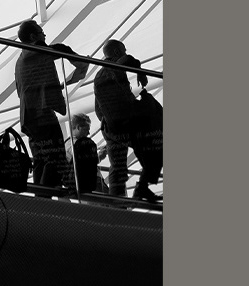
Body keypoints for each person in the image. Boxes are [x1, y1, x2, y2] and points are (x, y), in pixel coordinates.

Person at [13, 20, 89, 189]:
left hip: (30, 117)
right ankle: (47, 193)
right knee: (55, 156)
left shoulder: (21, 60)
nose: (44, 36)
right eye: (41, 33)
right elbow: (59, 49)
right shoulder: (34, 52)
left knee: (41, 159)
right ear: (33, 36)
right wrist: (79, 62)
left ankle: (41, 196)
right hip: (40, 115)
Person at [93, 38, 160, 202]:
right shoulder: (114, 67)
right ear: (116, 52)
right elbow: (128, 60)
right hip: (126, 125)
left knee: (118, 167)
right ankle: (141, 188)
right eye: (123, 50)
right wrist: (140, 71)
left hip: (111, 128)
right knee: (156, 147)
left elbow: (97, 108)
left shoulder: (99, 76)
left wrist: (106, 122)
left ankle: (117, 204)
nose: (125, 52)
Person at [65, 112, 108, 194]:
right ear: (78, 127)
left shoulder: (70, 144)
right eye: (86, 130)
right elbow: (83, 162)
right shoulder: (73, 144)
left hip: (91, 181)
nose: (88, 133)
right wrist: (99, 157)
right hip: (90, 181)